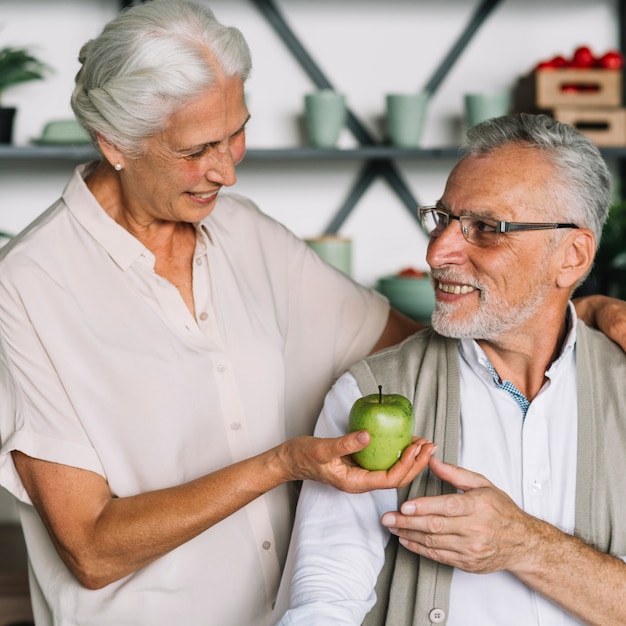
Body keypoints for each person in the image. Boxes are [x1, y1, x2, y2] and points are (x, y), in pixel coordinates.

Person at [0, 4, 622, 625]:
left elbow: (434, 349)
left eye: (236, 131)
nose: (228, 169)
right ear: (116, 143)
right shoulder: (27, 286)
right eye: (197, 149)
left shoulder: (243, 234)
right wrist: (285, 462)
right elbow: (90, 549)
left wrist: (576, 308)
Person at [274, 113, 626, 626]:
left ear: (571, 257)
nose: (439, 251)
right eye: (441, 219)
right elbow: (327, 599)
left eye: (486, 229)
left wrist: (524, 544)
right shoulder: (370, 392)